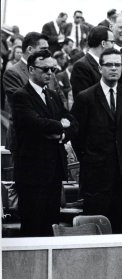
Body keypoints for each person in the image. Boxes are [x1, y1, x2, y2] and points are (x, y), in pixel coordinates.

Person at [71, 48, 122, 233]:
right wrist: (90, 159)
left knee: (118, 229)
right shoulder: (85, 97)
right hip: (96, 176)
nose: (114, 68)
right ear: (100, 68)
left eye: (118, 64)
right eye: (109, 64)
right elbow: (77, 136)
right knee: (94, 229)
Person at [11, 50, 77, 236]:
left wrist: (62, 134)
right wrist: (60, 125)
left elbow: (73, 121)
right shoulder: (21, 95)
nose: (50, 73)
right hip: (32, 174)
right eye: (45, 69)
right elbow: (34, 123)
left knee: (51, 224)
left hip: (53, 171)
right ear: (31, 69)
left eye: (53, 69)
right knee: (33, 227)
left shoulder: (53, 95)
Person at [70, 26, 115, 100]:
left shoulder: (106, 63)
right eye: (112, 42)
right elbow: (83, 99)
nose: (113, 46)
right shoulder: (81, 66)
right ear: (103, 43)